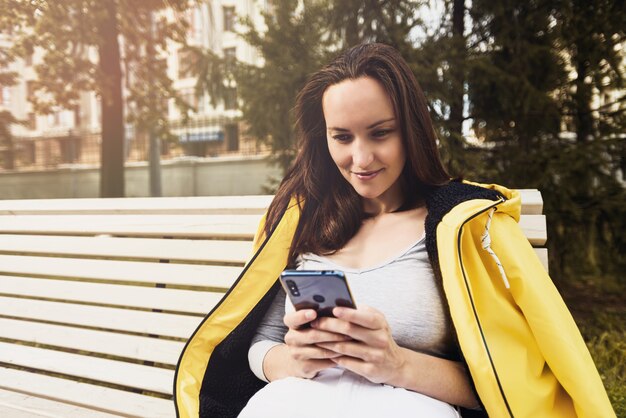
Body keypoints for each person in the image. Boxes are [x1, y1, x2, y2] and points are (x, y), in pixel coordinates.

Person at [175, 43, 614, 418]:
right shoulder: (300, 222)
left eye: (380, 133)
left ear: (412, 130)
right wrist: (293, 361)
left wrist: (395, 363)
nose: (361, 159)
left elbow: (507, 381)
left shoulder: (466, 228)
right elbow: (257, 344)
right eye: (341, 137)